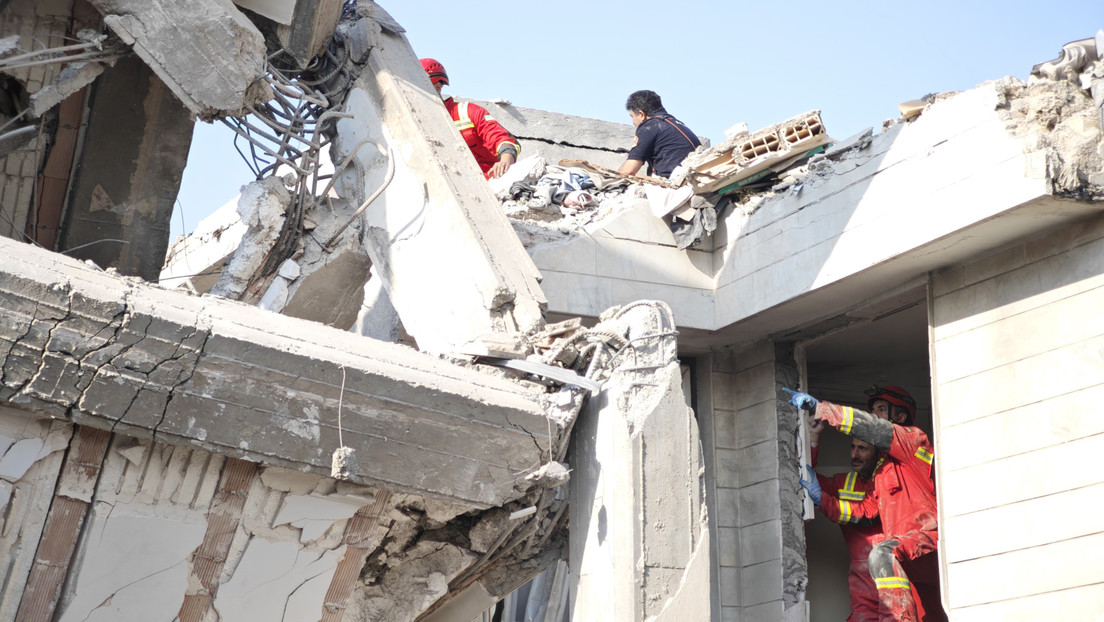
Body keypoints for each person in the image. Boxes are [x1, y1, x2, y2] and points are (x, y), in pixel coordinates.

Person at [786, 385, 947, 622]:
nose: (874, 415)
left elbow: (875, 429)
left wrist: (822, 409)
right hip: (898, 559)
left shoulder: (914, 440)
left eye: (881, 409)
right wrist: (813, 446)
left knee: (883, 554)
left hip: (925, 543)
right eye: (872, 410)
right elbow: (869, 512)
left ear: (900, 417)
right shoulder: (880, 473)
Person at [802, 431, 883, 622]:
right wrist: (813, 438)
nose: (854, 454)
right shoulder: (845, 482)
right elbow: (809, 478)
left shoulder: (886, 480)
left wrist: (824, 501)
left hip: (890, 565)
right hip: (861, 572)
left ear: (878, 454)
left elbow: (868, 514)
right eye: (852, 447)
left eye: (862, 448)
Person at [420, 58, 519, 179]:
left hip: (489, 183)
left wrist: (505, 161)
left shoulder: (467, 112)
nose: (437, 87)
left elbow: (501, 138)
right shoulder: (415, 121)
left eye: (438, 84)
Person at [618, 90, 700, 178]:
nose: (633, 122)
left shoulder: (651, 125)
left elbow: (628, 170)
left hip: (672, 184)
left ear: (641, 114)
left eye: (632, 116)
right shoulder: (677, 125)